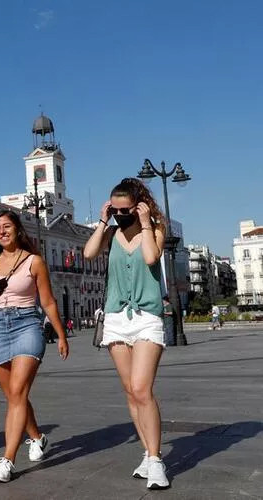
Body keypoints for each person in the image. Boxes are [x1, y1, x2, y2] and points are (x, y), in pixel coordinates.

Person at [0, 209, 69, 483]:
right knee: (15, 397)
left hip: (28, 326)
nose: (2, 231)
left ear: (17, 229)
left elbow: (47, 301)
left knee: (17, 391)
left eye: (7, 226)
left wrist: (60, 334)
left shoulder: (34, 262)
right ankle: (37, 437)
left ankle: (8, 459)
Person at [83, 177, 170, 490]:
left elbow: (150, 258)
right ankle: (147, 452)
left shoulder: (156, 228)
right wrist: (104, 220)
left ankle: (157, 460)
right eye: (115, 209)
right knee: (130, 391)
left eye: (126, 209)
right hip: (117, 319)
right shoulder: (111, 232)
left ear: (139, 205)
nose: (121, 214)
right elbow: (89, 253)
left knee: (141, 388)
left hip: (147, 317)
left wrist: (145, 222)